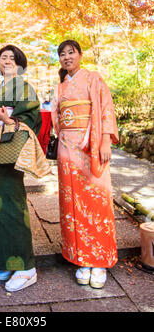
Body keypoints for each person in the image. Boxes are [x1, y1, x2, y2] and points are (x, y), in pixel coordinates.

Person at [51, 40, 119, 289]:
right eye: (62, 54)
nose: (66, 57)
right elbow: (56, 119)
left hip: (90, 146)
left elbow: (105, 109)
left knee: (96, 200)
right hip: (67, 149)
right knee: (71, 203)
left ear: (80, 55)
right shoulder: (60, 87)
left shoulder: (93, 78)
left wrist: (104, 141)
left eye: (71, 52)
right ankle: (80, 258)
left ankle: (98, 260)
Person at [0, 45, 44, 292]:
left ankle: (26, 267)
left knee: (13, 203)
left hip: (12, 147)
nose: (7, 60)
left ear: (20, 64)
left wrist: (10, 121)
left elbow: (32, 118)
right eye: (3, 57)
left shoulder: (24, 87)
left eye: (12, 58)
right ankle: (7, 259)